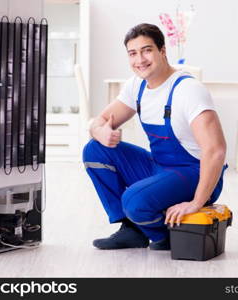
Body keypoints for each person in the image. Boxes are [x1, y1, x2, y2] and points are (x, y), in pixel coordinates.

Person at [83, 23, 227, 251]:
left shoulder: (188, 90)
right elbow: (98, 122)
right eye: (133, 53)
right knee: (94, 149)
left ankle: (168, 235)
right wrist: (101, 131)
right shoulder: (136, 86)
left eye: (147, 50)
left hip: (195, 173)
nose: (140, 59)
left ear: (162, 51)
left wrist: (196, 203)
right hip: (161, 166)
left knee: (133, 200)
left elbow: (216, 150)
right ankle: (132, 230)